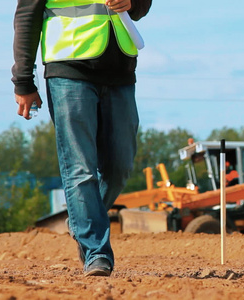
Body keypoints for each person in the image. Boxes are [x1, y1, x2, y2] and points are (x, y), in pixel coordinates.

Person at [12, 0, 152, 276]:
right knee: (80, 167)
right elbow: (27, 16)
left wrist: (134, 3)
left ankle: (82, 221)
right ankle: (96, 251)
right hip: (68, 67)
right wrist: (23, 80)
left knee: (119, 166)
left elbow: (143, 5)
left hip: (121, 70)